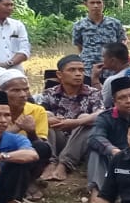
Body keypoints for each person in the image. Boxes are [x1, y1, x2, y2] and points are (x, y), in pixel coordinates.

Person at [39, 55, 104, 183]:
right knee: (46, 116)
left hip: (80, 142)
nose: (78, 74)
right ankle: (51, 162)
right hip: (59, 140)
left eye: (81, 70)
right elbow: (38, 113)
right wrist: (49, 119)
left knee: (85, 118)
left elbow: (101, 114)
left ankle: (64, 164)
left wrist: (77, 122)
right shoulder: (50, 93)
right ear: (59, 74)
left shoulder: (93, 93)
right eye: (72, 70)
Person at [0, 70, 50, 195]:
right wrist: (17, 127)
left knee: (42, 148)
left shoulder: (37, 111)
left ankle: (29, 181)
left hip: (25, 155)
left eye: (25, 90)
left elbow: (41, 144)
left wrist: (31, 132)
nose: (23, 94)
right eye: (15, 90)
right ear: (1, 93)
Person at [70, 0, 127, 70]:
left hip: (111, 69)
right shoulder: (79, 25)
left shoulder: (115, 23)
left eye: (99, 2)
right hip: (88, 69)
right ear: (86, 4)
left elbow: (122, 43)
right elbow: (79, 46)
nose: (96, 6)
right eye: (92, 3)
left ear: (103, 4)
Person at [95, 42, 130, 106]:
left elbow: (103, 105)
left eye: (103, 57)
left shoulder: (112, 80)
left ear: (112, 60)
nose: (102, 60)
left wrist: (95, 78)